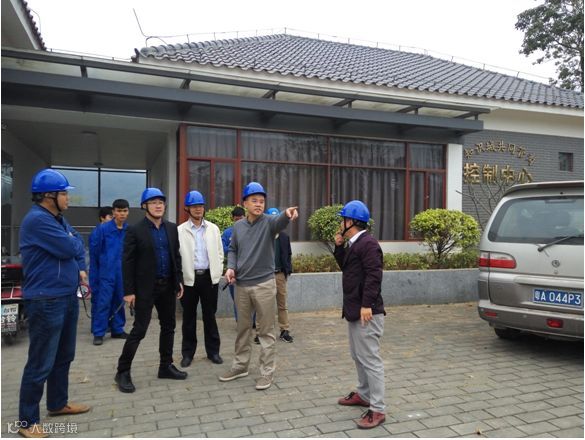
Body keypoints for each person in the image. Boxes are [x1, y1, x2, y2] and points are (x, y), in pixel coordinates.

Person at [18, 169, 91, 438]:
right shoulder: (38, 220)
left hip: (66, 295)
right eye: (64, 193)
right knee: (40, 361)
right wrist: (71, 244)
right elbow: (71, 248)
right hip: (46, 299)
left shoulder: (58, 219)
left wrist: (75, 252)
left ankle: (58, 403)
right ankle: (27, 422)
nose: (68, 198)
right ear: (49, 196)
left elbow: (77, 243)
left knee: (63, 356)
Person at [219, 182, 298, 391]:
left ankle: (266, 372)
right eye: (254, 200)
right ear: (245, 203)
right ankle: (240, 366)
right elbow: (233, 249)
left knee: (266, 331)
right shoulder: (238, 227)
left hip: (264, 285)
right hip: (241, 286)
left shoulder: (269, 223)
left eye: (262, 201)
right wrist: (231, 268)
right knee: (243, 329)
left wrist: (287, 214)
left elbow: (280, 221)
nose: (258, 204)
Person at [114, 188, 187, 393]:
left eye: (161, 202)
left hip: (167, 286)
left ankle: (165, 366)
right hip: (145, 288)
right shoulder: (135, 230)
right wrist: (129, 291)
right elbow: (127, 262)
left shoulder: (171, 228)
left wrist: (179, 280)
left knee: (169, 326)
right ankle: (122, 371)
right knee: (139, 330)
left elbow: (176, 256)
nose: (158, 206)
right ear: (144, 206)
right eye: (153, 202)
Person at [333, 200, 386, 429]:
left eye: (343, 219)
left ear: (352, 222)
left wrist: (367, 304)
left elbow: (374, 275)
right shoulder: (355, 243)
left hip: (367, 312)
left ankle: (378, 408)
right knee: (358, 355)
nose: (340, 223)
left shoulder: (368, 244)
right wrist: (338, 247)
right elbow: (348, 268)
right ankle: (364, 394)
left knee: (370, 360)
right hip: (355, 310)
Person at [178, 190, 225, 367]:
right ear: (187, 208)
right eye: (194, 206)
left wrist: (217, 271)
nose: (198, 209)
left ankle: (213, 352)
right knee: (188, 318)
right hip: (189, 280)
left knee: (210, 316)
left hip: (208, 279)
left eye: (200, 206)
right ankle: (187, 354)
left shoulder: (213, 229)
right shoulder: (180, 231)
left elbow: (220, 253)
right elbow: (177, 256)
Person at [89, 199, 130, 346]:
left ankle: (117, 329)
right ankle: (99, 332)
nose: (122, 214)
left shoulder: (129, 230)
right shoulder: (102, 230)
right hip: (105, 273)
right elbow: (94, 254)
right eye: (119, 211)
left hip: (122, 273)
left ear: (128, 212)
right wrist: (94, 276)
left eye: (125, 211)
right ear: (113, 212)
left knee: (119, 300)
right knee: (103, 302)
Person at [266, 208, 294, 343]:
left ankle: (284, 330)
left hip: (280, 274)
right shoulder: (263, 237)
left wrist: (287, 271)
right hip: (265, 275)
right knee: (264, 305)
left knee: (282, 304)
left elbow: (288, 254)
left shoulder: (284, 237)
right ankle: (262, 332)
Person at [220, 206, 246, 321]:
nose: (239, 221)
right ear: (232, 219)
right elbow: (222, 248)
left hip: (248, 271)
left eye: (241, 219)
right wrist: (234, 249)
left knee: (251, 298)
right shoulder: (227, 233)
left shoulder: (251, 231)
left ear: (245, 217)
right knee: (236, 298)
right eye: (236, 219)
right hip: (233, 271)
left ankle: (253, 321)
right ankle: (239, 321)